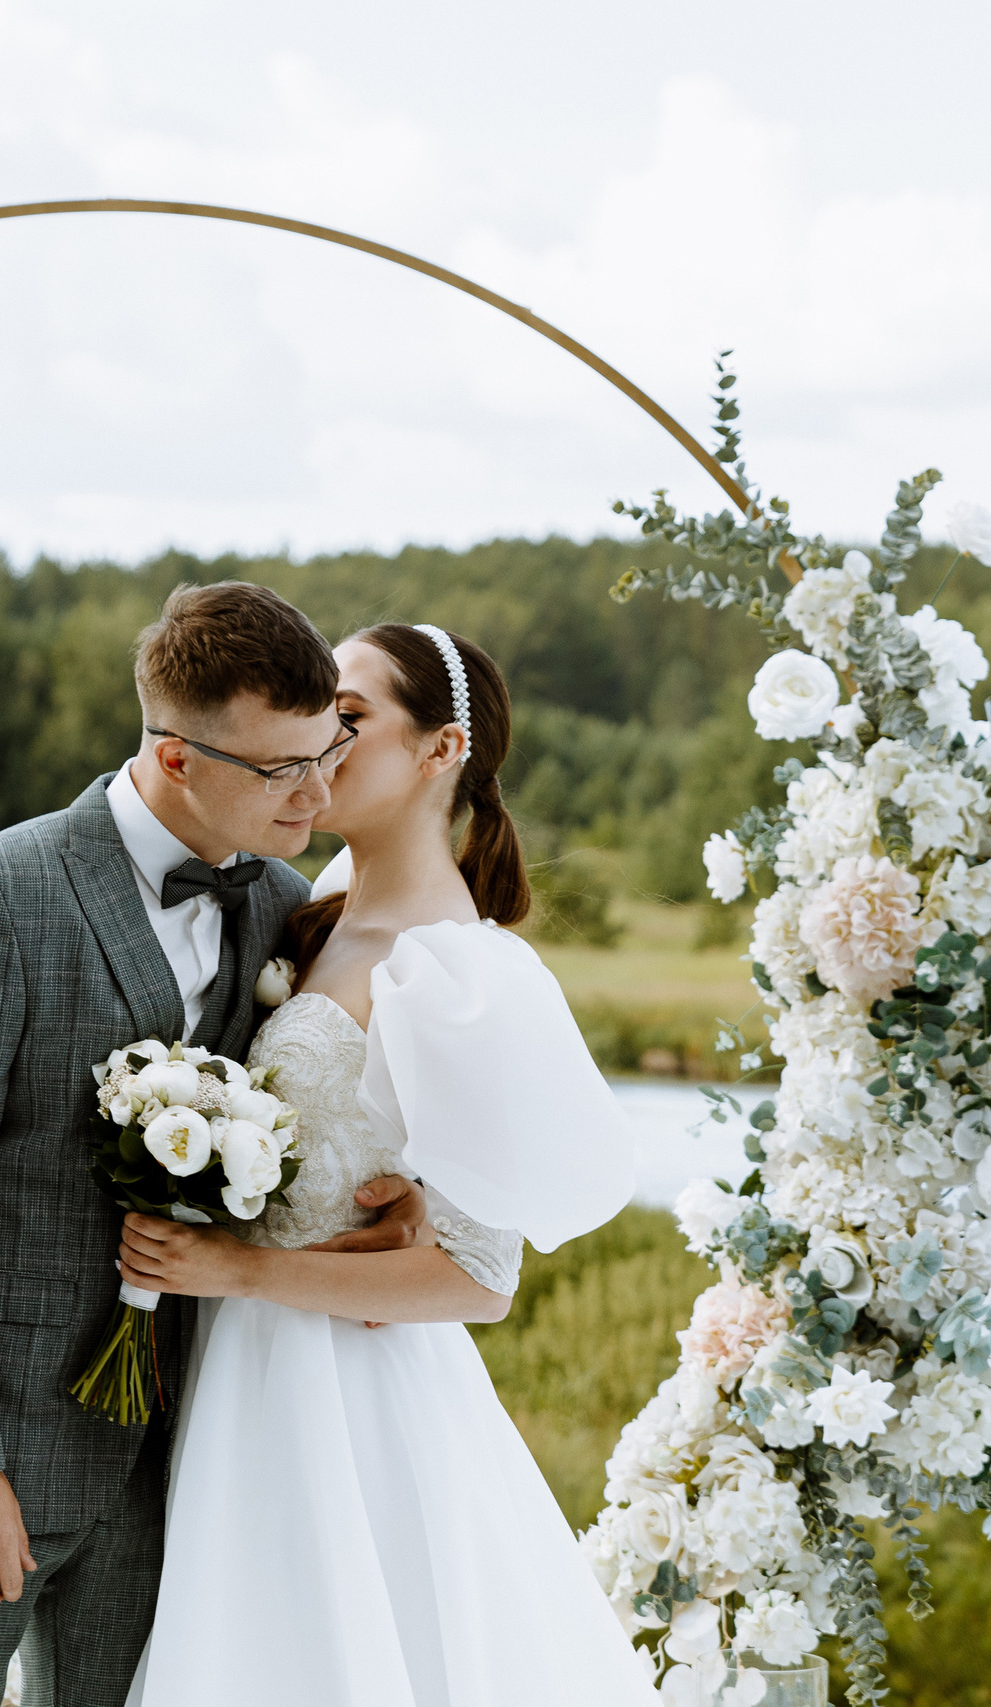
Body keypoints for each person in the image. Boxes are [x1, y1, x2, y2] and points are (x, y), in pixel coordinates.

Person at [0, 582, 438, 1707]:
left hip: (175, 1468)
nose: (320, 791)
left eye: (327, 753)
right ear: (179, 757)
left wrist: (375, 1211)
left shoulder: (283, 905)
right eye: (282, 770)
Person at [117, 622, 659, 1707]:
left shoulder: (456, 968)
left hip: (344, 1399)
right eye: (316, 721)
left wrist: (244, 1272)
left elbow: (480, 1277)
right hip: (234, 1368)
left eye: (350, 722)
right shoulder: (303, 911)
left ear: (440, 749)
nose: (318, 750)